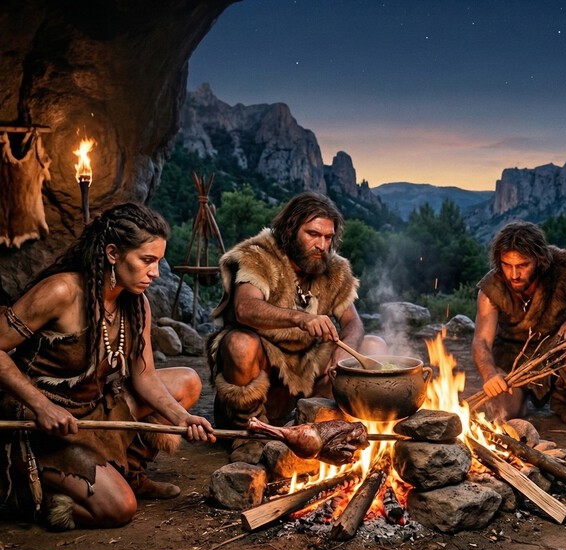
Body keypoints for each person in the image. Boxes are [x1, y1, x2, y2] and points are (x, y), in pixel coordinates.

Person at [0, 202, 215, 531]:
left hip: (95, 409)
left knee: (186, 381)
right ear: (113, 253)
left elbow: (144, 378)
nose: (155, 273)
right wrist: (42, 407)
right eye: (147, 260)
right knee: (120, 509)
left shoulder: (136, 302)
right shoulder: (62, 291)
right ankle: (36, 496)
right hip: (41, 424)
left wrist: (182, 418)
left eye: (158, 261)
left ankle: (131, 473)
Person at [207, 192, 385, 464]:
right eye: (313, 234)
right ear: (290, 229)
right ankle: (250, 433)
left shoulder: (333, 269)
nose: (321, 244)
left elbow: (353, 323)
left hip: (307, 376)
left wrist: (342, 357)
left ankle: (325, 428)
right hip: (263, 374)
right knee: (239, 343)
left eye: (328, 237)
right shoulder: (259, 256)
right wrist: (301, 318)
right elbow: (245, 308)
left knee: (373, 346)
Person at [472, 221, 566, 424]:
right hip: (511, 355)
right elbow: (481, 341)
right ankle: (520, 398)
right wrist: (489, 374)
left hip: (556, 344)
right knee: (507, 413)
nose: (514, 274)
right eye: (507, 265)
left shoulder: (561, 269)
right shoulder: (491, 289)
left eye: (523, 265)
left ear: (539, 259)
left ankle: (563, 402)